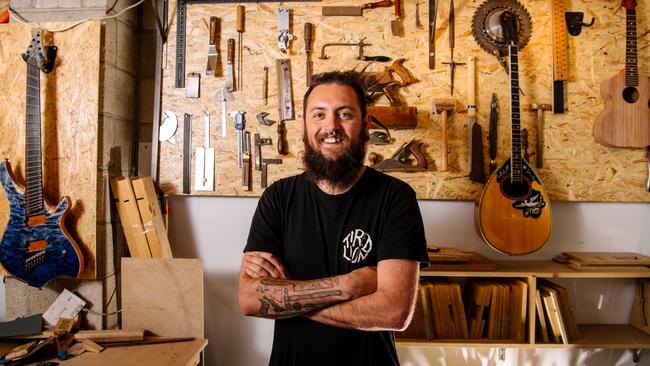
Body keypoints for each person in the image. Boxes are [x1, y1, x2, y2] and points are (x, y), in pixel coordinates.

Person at [238, 70, 428, 366]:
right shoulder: (278, 197)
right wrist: (350, 285)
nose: (331, 126)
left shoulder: (395, 198)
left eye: (345, 114)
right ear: (304, 125)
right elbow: (250, 299)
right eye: (319, 115)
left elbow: (394, 312)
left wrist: (288, 297)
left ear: (365, 125)